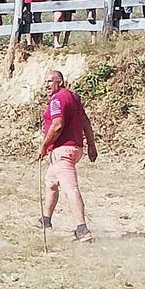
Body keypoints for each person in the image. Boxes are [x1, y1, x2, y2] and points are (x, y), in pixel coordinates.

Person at [38, 69, 98, 243]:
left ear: (60, 82)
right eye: (45, 82)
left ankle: (82, 229)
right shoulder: (73, 97)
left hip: (62, 150)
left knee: (70, 188)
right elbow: (85, 121)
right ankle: (46, 220)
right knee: (51, 182)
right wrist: (91, 146)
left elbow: (57, 125)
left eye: (50, 81)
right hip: (74, 148)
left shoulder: (57, 99)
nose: (47, 85)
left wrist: (44, 145)